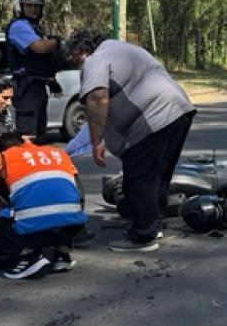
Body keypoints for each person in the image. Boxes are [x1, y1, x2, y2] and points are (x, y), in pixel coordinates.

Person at [65, 30, 196, 252]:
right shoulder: (124, 49)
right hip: (179, 111)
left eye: (76, 61)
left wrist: (97, 141)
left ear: (82, 50)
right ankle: (153, 224)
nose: (78, 67)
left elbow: (97, 98)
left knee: (138, 180)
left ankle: (142, 237)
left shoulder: (95, 58)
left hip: (152, 119)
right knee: (158, 176)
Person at [0, 130, 88, 279]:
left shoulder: (2, 158)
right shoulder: (58, 153)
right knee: (63, 190)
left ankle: (28, 255)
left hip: (32, 231)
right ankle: (62, 252)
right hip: (73, 226)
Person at [5, 0, 63, 143]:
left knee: (39, 136)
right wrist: (57, 41)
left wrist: (50, 80)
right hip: (26, 89)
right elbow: (41, 48)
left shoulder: (34, 28)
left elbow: (39, 62)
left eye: (37, 6)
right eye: (29, 5)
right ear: (20, 6)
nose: (34, 9)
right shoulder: (19, 26)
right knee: (27, 137)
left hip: (37, 87)